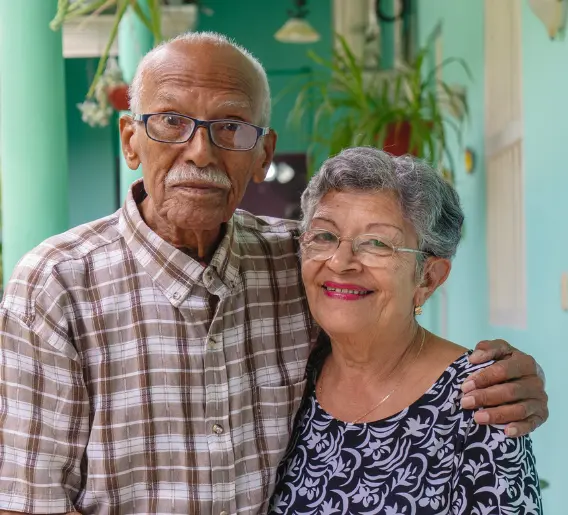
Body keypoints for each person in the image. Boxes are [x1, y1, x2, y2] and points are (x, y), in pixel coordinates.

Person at [0, 32, 546, 515]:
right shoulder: (56, 286)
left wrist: (514, 377)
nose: (200, 151)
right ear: (129, 140)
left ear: (263, 154)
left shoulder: (299, 262)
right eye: (170, 120)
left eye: (230, 127)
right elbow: (29, 501)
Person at [269, 147, 542, 514]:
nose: (340, 262)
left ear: (428, 278)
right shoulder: (291, 375)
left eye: (377, 243)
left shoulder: (480, 400)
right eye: (324, 236)